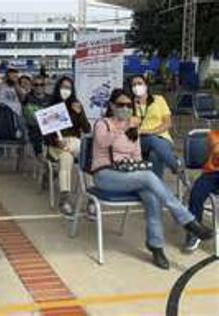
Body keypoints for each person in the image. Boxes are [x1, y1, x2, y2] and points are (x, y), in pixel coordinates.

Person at [91, 89, 213, 270]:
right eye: (120, 105)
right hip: (106, 176)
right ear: (111, 106)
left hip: (128, 176)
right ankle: (188, 221)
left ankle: (156, 246)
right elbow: (103, 142)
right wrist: (124, 126)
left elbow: (137, 156)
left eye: (128, 105)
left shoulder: (133, 130)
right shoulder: (103, 124)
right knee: (149, 177)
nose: (125, 109)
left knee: (152, 195)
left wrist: (132, 138)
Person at [45, 76, 91, 216]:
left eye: (69, 88)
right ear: (58, 89)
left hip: (74, 143)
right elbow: (46, 136)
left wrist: (80, 114)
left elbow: (87, 129)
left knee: (89, 159)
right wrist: (56, 142)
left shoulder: (76, 105)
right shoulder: (50, 108)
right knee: (66, 158)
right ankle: (65, 200)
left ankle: (91, 199)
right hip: (56, 146)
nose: (66, 90)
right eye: (63, 87)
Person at [130, 75, 186, 183]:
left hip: (162, 138)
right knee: (151, 139)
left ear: (146, 85)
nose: (137, 86)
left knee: (155, 155)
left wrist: (150, 132)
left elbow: (167, 123)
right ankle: (176, 166)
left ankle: (154, 186)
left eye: (140, 83)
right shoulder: (130, 104)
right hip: (140, 139)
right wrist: (145, 133)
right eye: (134, 84)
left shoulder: (158, 99)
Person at [184, 130, 219, 252]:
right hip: (211, 174)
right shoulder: (213, 135)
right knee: (196, 193)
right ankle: (194, 231)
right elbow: (217, 152)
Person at [22, 75, 51, 157]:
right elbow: (28, 115)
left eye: (41, 84)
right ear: (32, 86)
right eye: (36, 85)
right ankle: (40, 155)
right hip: (34, 128)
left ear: (45, 86)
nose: (39, 87)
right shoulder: (27, 98)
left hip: (49, 128)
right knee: (36, 130)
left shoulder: (50, 98)